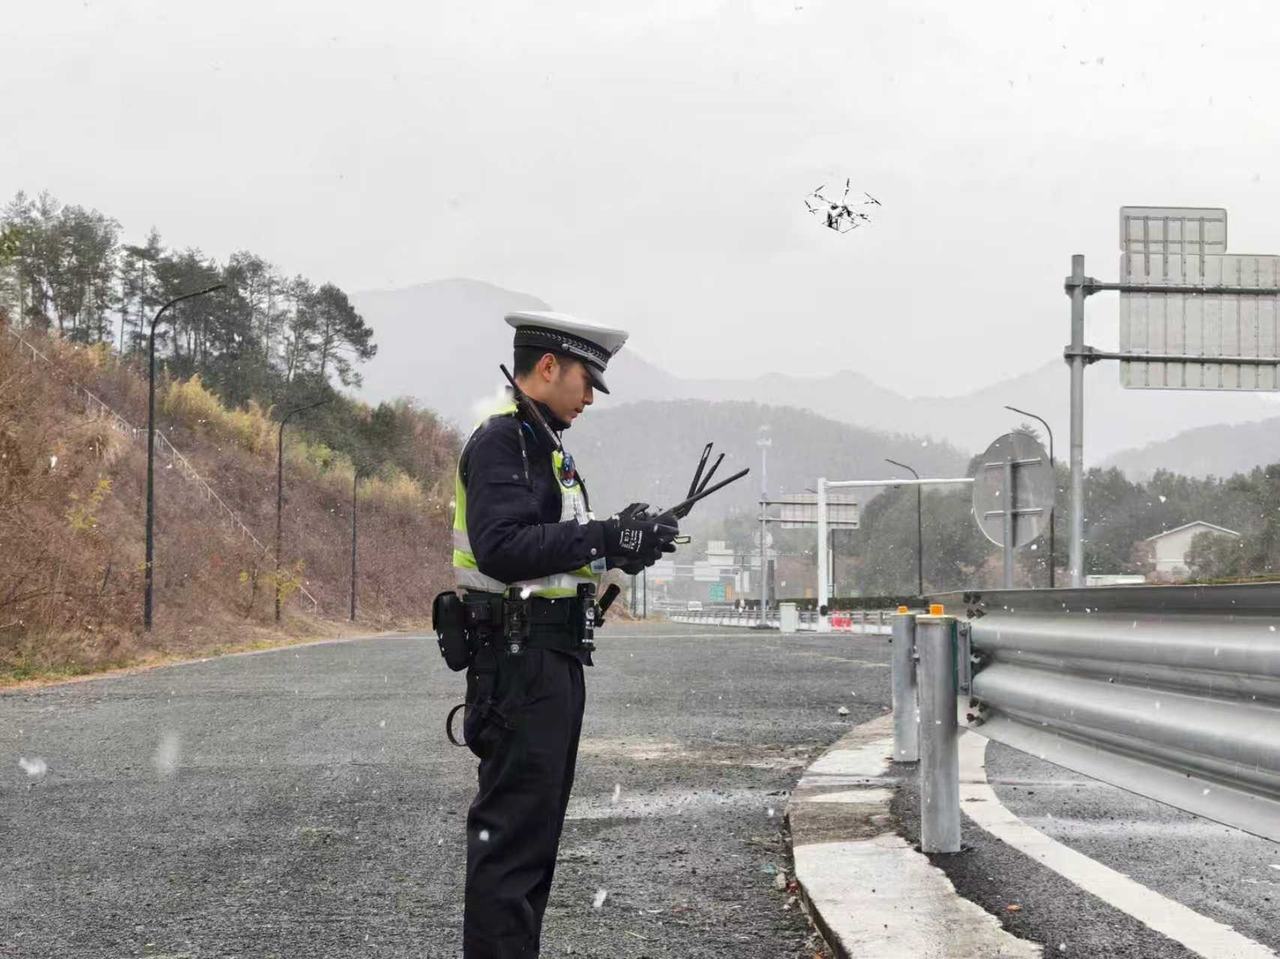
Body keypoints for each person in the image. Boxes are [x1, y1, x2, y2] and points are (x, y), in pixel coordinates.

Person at [451, 310, 679, 958]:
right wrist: (606, 534)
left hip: (546, 659)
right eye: (585, 380)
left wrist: (622, 546)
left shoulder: (541, 445)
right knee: (512, 849)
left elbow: (553, 551)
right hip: (521, 663)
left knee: (531, 845)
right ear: (547, 367)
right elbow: (501, 546)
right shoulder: (503, 440)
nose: (588, 397)